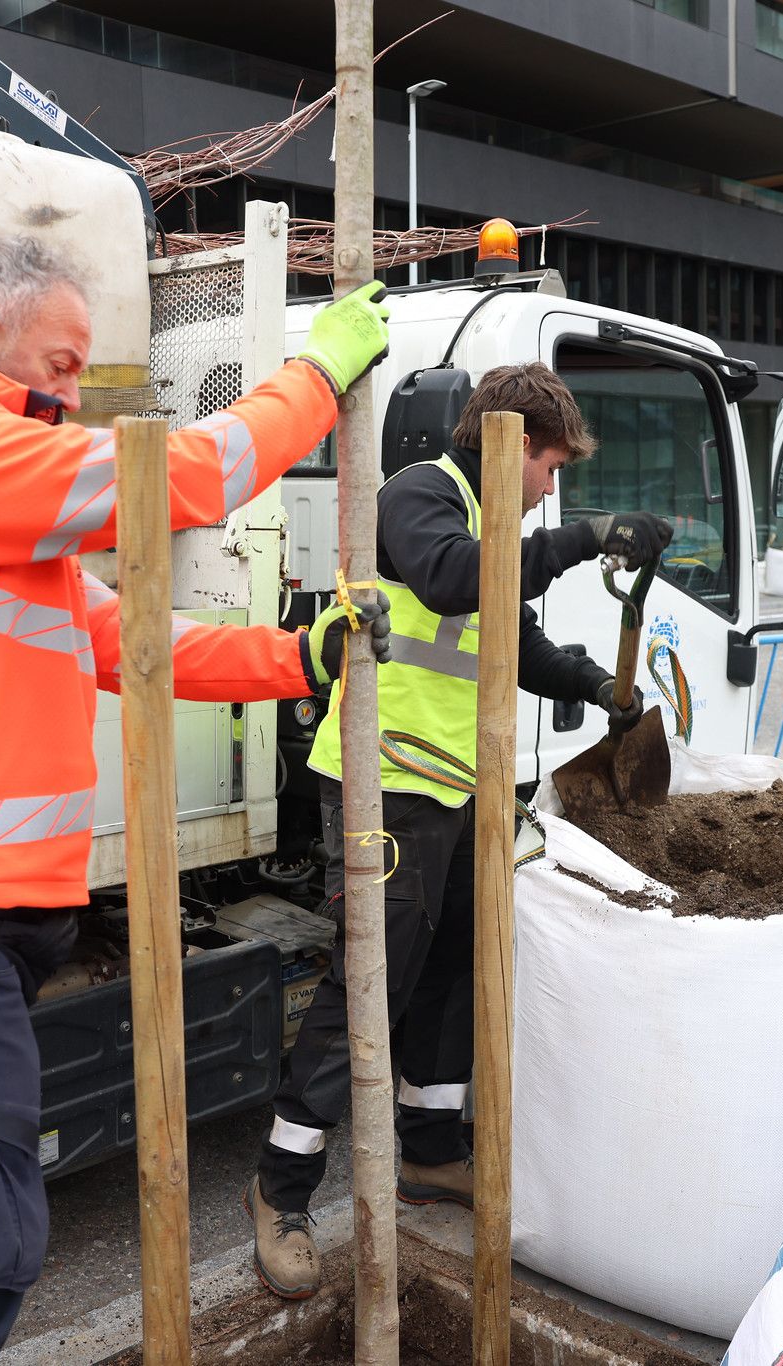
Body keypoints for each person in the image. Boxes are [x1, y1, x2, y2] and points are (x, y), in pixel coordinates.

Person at [0, 233, 393, 1365]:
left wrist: (293, 657)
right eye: (62, 366)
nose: (72, 394)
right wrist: (317, 376)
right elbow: (183, 477)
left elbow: (129, 639)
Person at [248, 363, 673, 1300]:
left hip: (458, 792)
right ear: (509, 445)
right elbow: (447, 585)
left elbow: (513, 643)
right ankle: (280, 1189)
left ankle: (431, 1152)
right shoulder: (419, 497)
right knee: (372, 984)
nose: (551, 491)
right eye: (550, 469)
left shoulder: (487, 531)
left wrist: (596, 686)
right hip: (385, 785)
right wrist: (583, 540)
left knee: (451, 976)